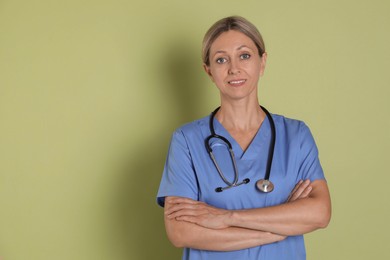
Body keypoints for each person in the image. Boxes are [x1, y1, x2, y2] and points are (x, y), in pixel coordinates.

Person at [156, 16, 331, 260]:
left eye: (245, 55)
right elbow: (180, 232)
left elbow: (320, 213)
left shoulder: (296, 135)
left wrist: (226, 218)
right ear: (209, 70)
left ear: (263, 62)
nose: (234, 68)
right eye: (221, 59)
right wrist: (276, 231)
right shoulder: (186, 141)